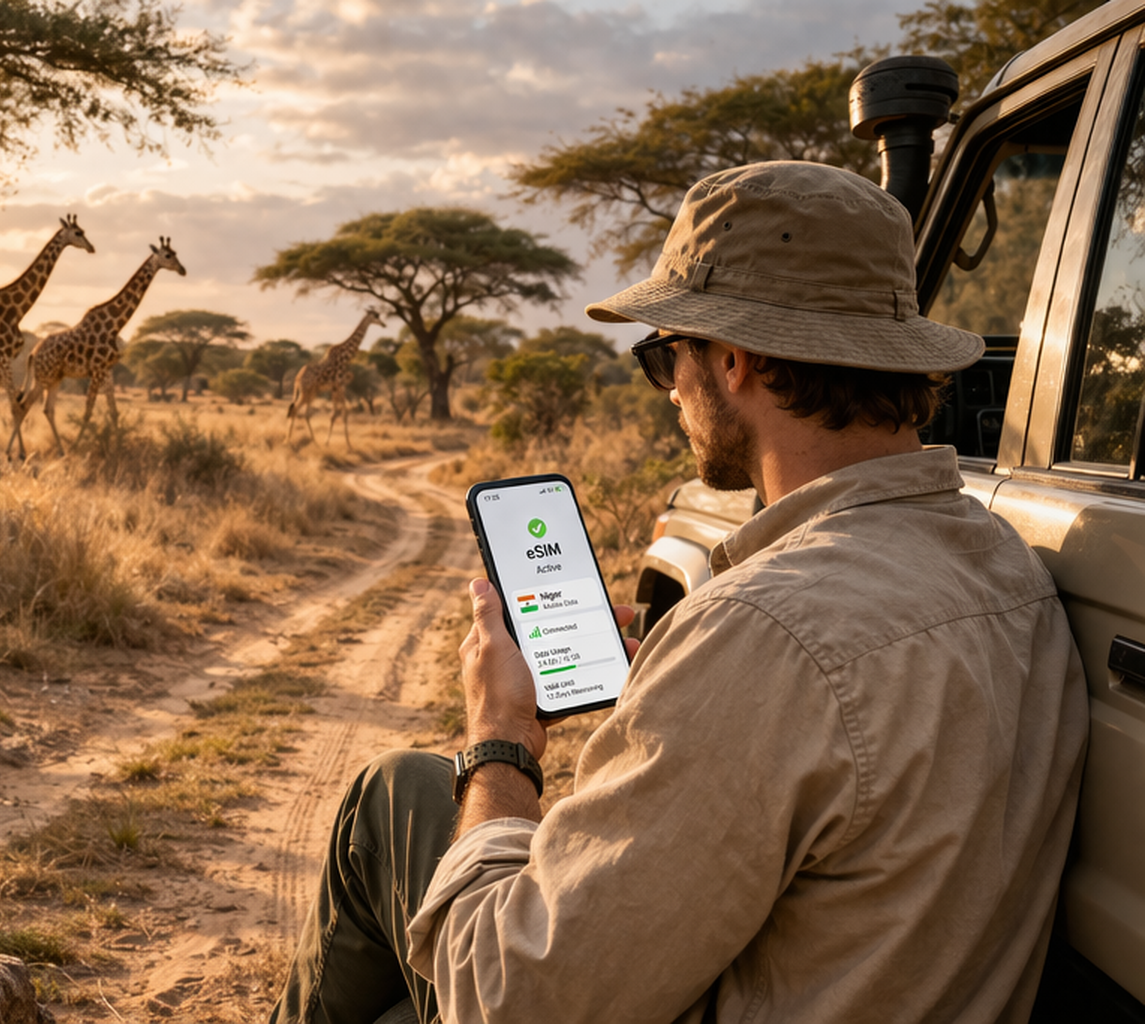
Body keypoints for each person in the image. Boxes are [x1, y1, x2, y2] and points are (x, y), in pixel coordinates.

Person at [268, 160, 1089, 1024]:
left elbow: (502, 1000)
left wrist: (502, 739)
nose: (669, 392)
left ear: (734, 360)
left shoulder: (763, 631)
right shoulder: (1006, 567)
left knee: (393, 796)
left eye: (665, 355)